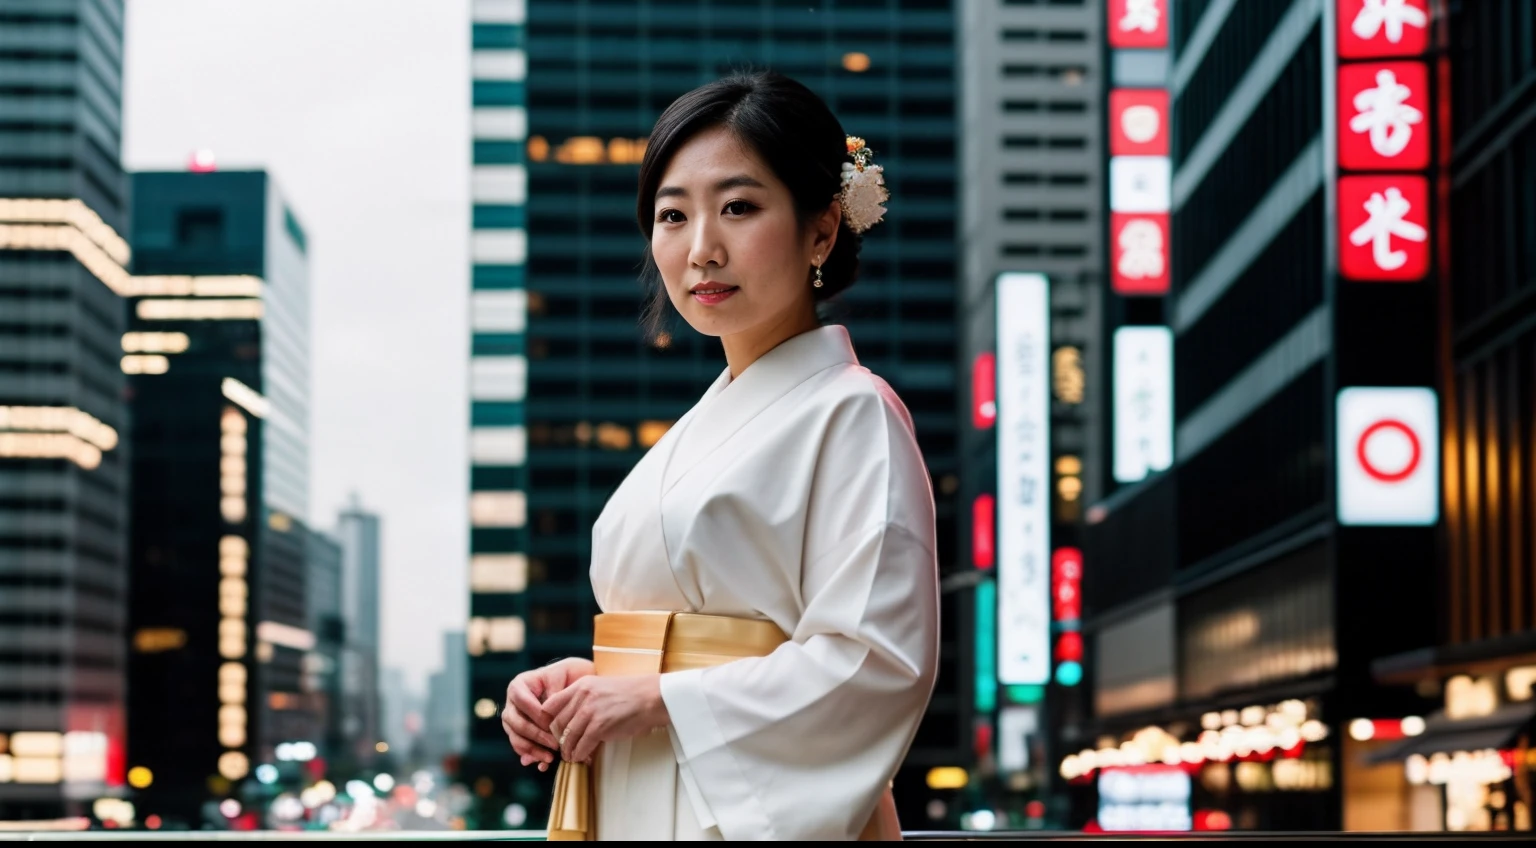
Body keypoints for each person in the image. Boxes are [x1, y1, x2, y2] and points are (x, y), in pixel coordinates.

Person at [500, 71, 940, 841]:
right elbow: (681, 636)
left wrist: (660, 699)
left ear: (821, 231)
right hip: (647, 792)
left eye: (738, 207)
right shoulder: (704, 426)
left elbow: (875, 663)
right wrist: (591, 684)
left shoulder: (854, 411)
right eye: (673, 215)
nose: (702, 249)